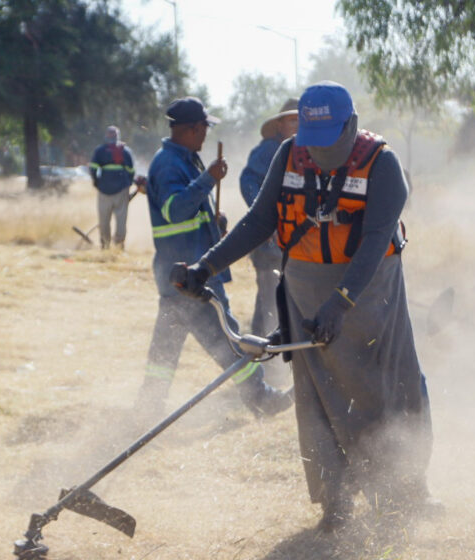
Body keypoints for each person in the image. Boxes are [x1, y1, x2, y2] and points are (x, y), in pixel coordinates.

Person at [169, 82, 435, 532]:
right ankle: (336, 501)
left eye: (331, 135)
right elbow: (260, 219)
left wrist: (342, 301)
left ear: (351, 125)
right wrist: (205, 267)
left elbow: (374, 243)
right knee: (315, 400)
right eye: (315, 137)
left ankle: (401, 492)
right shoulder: (291, 153)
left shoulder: (383, 164)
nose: (321, 148)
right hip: (304, 291)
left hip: (369, 293)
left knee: (381, 388)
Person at [136, 97, 292, 419]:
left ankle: (147, 409)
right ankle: (261, 399)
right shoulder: (169, 163)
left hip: (180, 275)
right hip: (191, 275)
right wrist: (208, 179)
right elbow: (174, 210)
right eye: (205, 127)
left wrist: (212, 223)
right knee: (229, 341)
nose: (206, 134)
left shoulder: (184, 160)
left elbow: (189, 214)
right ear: (192, 129)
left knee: (164, 352)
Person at [239, 99, 298, 341]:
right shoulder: (269, 150)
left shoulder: (299, 152)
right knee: (271, 297)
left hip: (285, 242)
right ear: (280, 125)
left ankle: (258, 347)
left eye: (301, 121)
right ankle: (269, 354)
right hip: (268, 242)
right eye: (293, 120)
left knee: (270, 296)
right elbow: (248, 181)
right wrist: (267, 217)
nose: (298, 126)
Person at [89, 126, 138, 250]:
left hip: (104, 190)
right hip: (122, 190)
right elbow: (131, 171)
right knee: (121, 219)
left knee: (104, 219)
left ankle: (105, 245)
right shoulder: (125, 151)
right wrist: (128, 183)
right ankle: (119, 245)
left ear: (106, 137)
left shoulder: (100, 151)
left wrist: (96, 182)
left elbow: (93, 169)